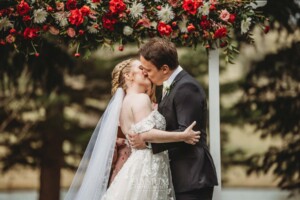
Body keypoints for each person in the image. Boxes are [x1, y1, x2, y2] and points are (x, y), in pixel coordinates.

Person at [64, 58, 200, 200]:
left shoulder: (126, 101)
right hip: (147, 167)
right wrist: (183, 136)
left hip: (141, 164)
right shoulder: (141, 98)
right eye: (141, 68)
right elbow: (146, 133)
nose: (146, 71)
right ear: (128, 76)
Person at [129, 38, 218, 200]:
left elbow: (188, 134)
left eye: (148, 70)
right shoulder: (172, 84)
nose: (145, 74)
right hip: (180, 175)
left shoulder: (186, 88)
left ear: (164, 68)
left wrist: (147, 140)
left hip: (191, 175)